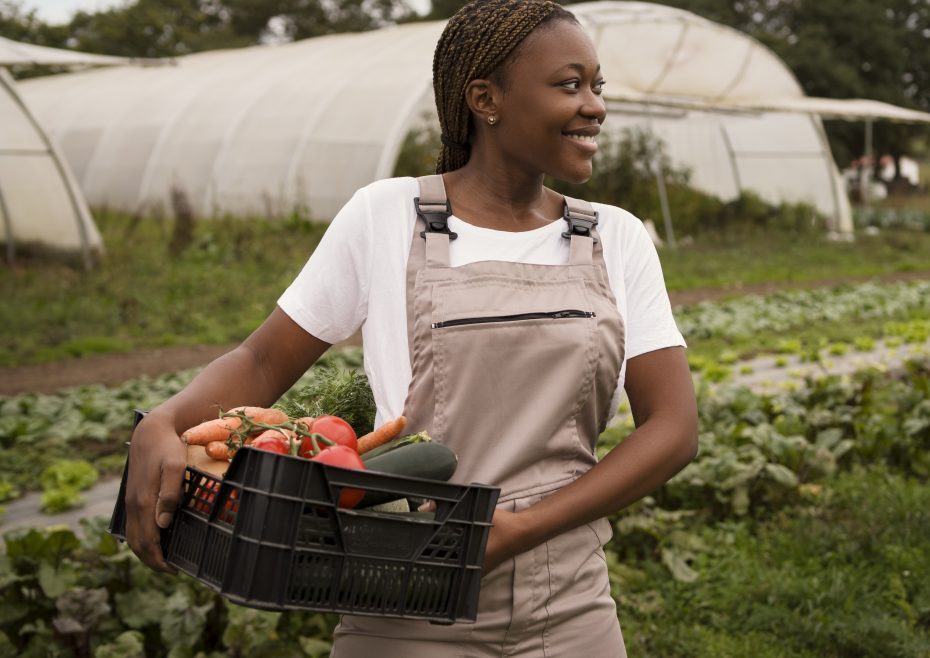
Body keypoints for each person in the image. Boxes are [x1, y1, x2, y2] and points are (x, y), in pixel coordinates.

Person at [124, 0, 698, 654]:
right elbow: (261, 361)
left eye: (597, 86)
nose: (594, 104)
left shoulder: (615, 237)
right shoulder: (387, 215)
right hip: (404, 593)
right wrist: (162, 422)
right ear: (486, 98)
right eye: (570, 85)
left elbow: (673, 427)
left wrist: (522, 528)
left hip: (569, 601)